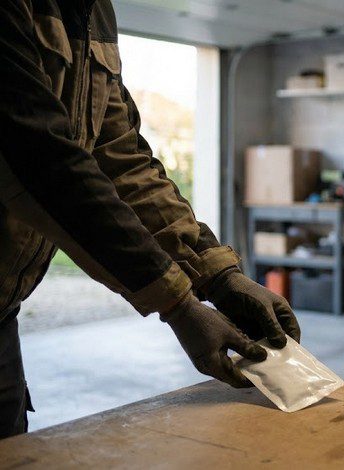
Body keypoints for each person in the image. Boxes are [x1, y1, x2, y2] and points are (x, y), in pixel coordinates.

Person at [0, 0, 300, 438]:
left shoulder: (93, 10)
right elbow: (43, 161)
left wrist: (220, 276)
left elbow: (122, 160)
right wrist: (178, 304)